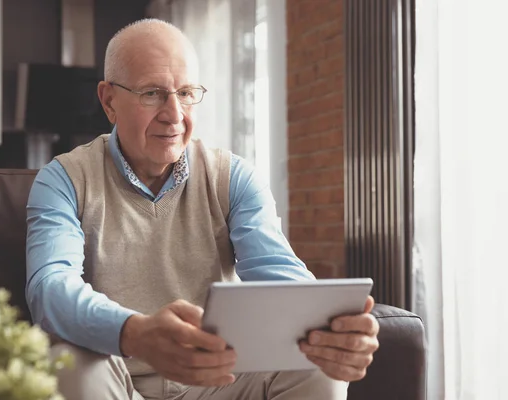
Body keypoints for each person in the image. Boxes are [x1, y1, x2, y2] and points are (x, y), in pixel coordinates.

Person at [25, 18, 379, 400]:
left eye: (187, 92)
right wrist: (136, 333)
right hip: (118, 379)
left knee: (315, 366)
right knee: (71, 363)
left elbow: (280, 281)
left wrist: (331, 333)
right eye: (152, 93)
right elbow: (51, 289)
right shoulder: (62, 179)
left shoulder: (234, 177)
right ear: (109, 100)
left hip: (218, 382)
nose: (174, 114)